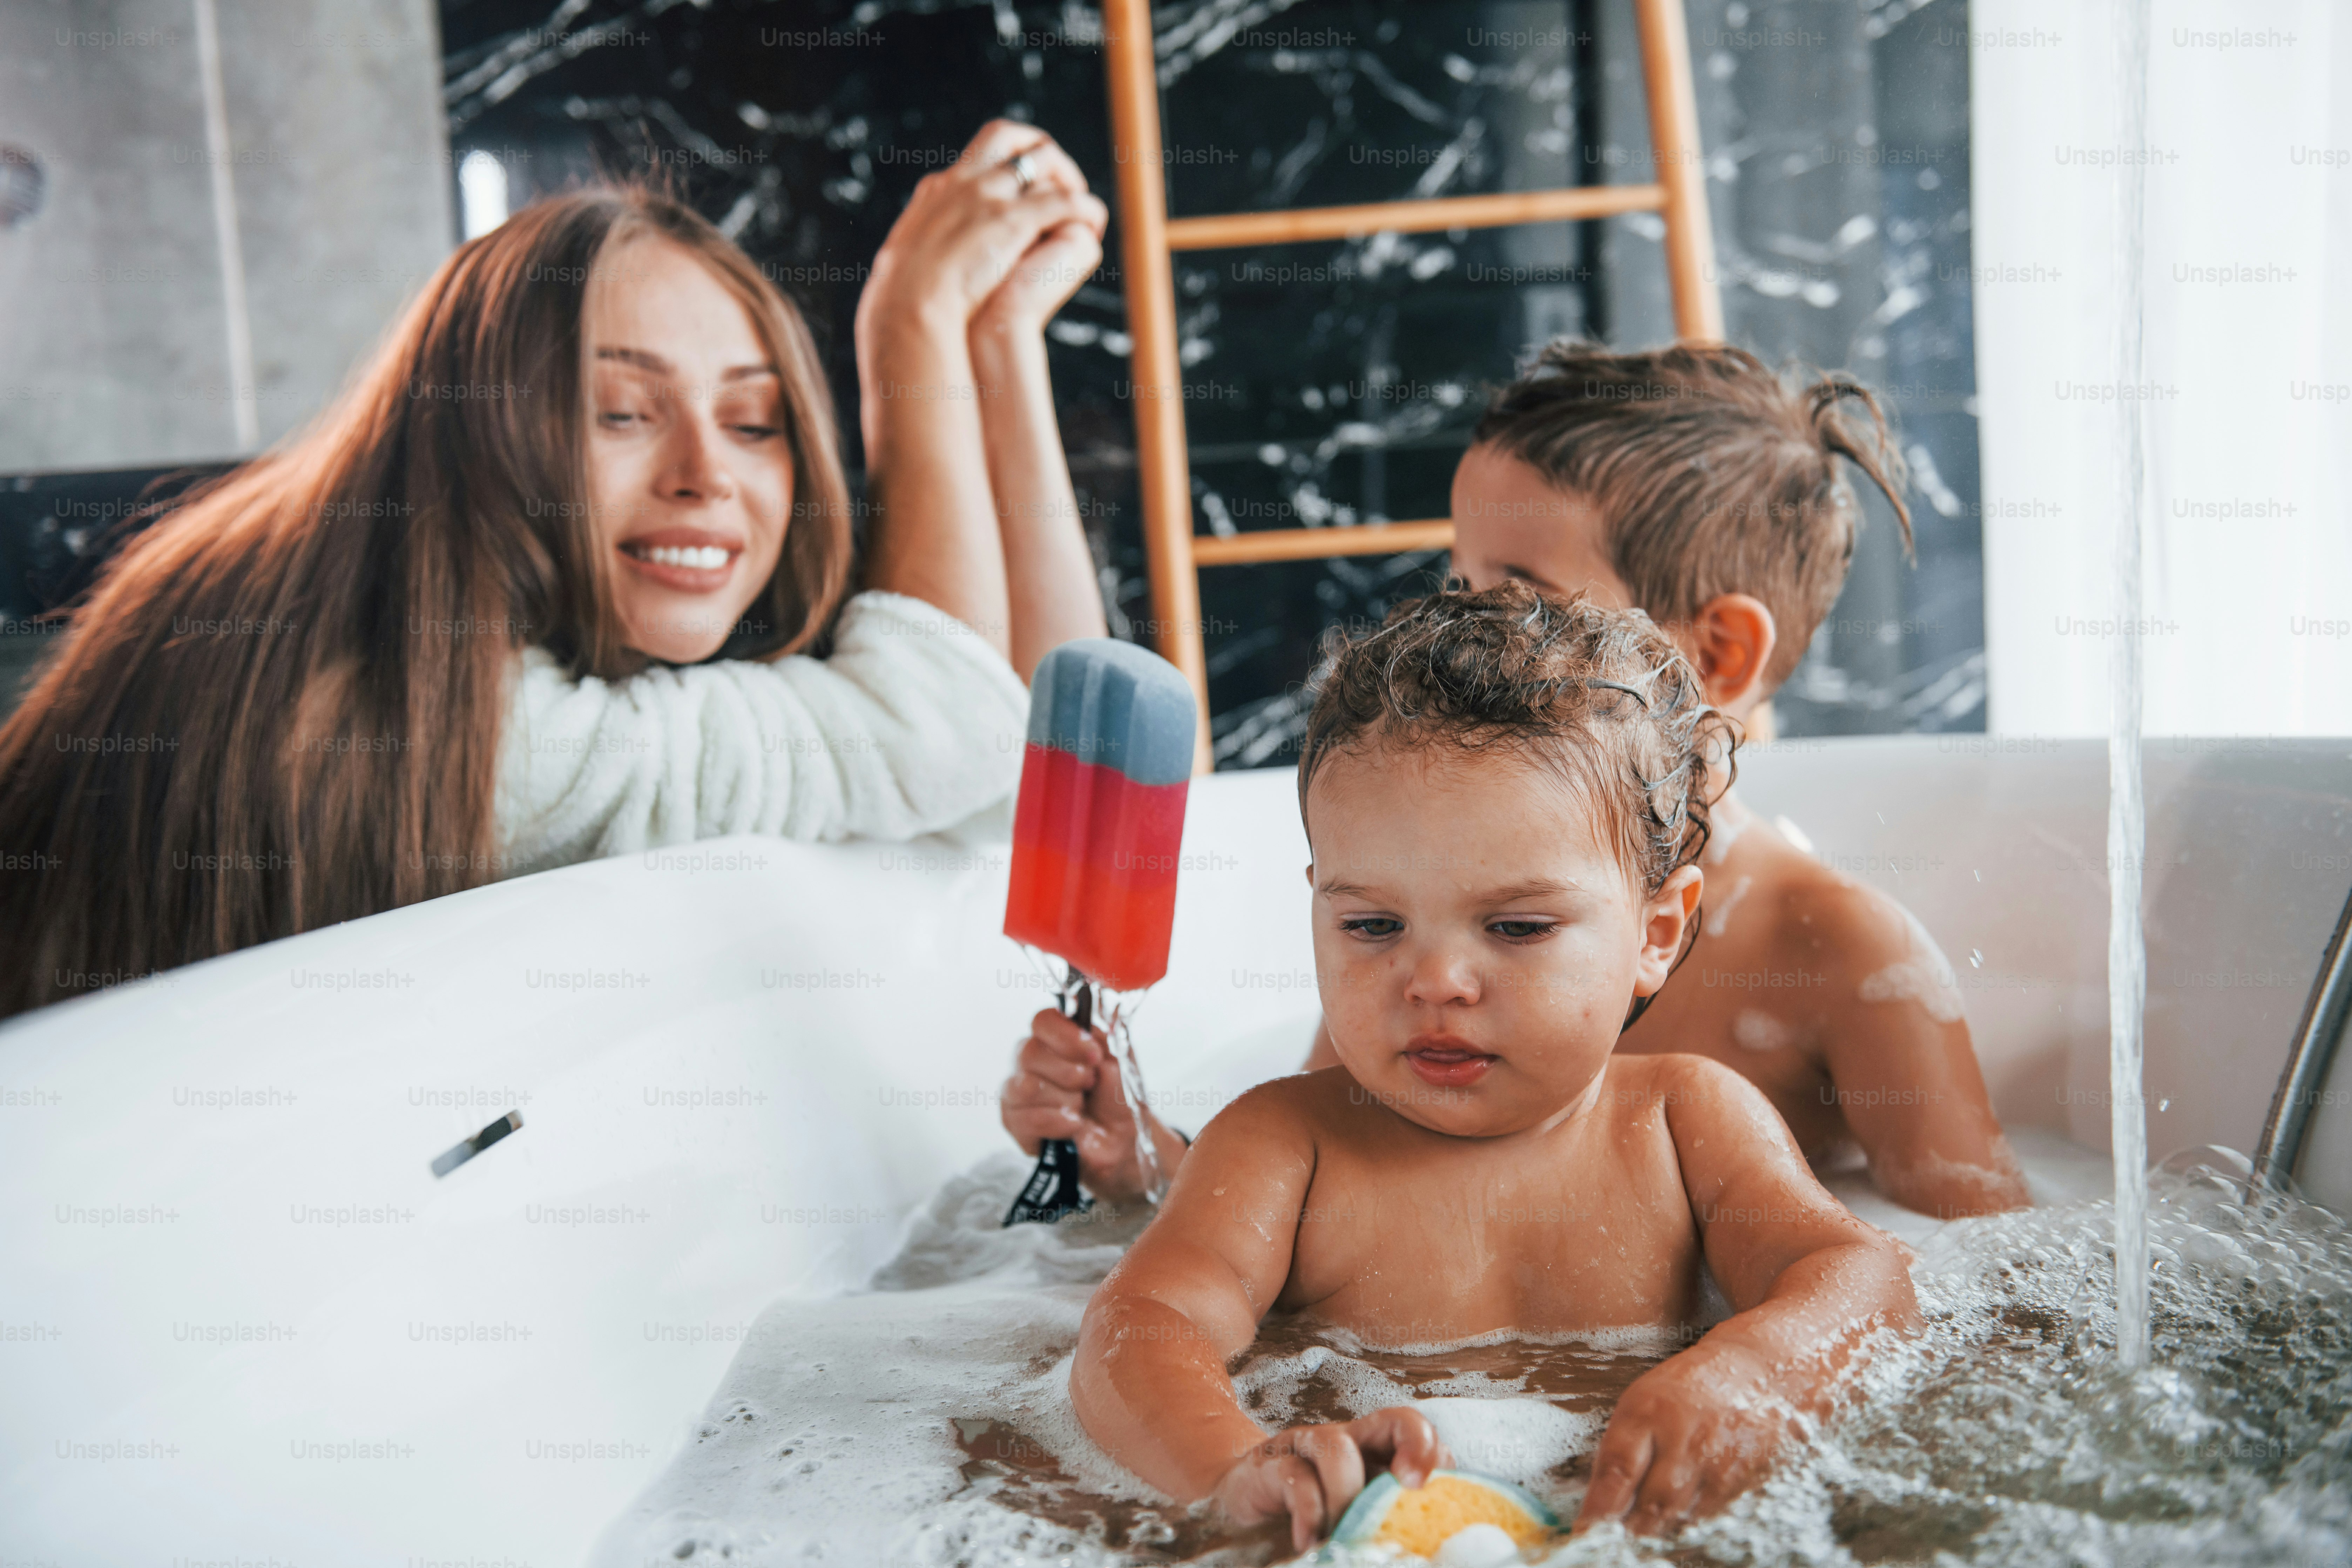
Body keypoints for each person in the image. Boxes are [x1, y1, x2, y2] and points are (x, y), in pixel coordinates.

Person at [0, 121, 1104, 1018]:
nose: (705, 475)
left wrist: (999, 337)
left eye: (756, 423)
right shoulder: (443, 720)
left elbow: (1066, 781)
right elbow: (949, 731)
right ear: (473, 430)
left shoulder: (418, 630)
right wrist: (909, 316)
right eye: (620, 411)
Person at [1003, 342, 2029, 1219]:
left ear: (1715, 653)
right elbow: (1312, 1190)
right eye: (1461, 584)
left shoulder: (1839, 952)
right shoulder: (1423, 901)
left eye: (1516, 591)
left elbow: (1986, 1278)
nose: (1459, 624)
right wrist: (1139, 1161)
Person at [1069, 585, 1919, 1551]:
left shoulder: (1686, 1121)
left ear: (1655, 932)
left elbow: (1858, 1277)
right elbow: (1140, 1326)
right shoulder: (1282, 1146)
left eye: (1515, 927)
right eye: (1371, 926)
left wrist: (1757, 1372)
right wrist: (1231, 1465)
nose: (1432, 982)